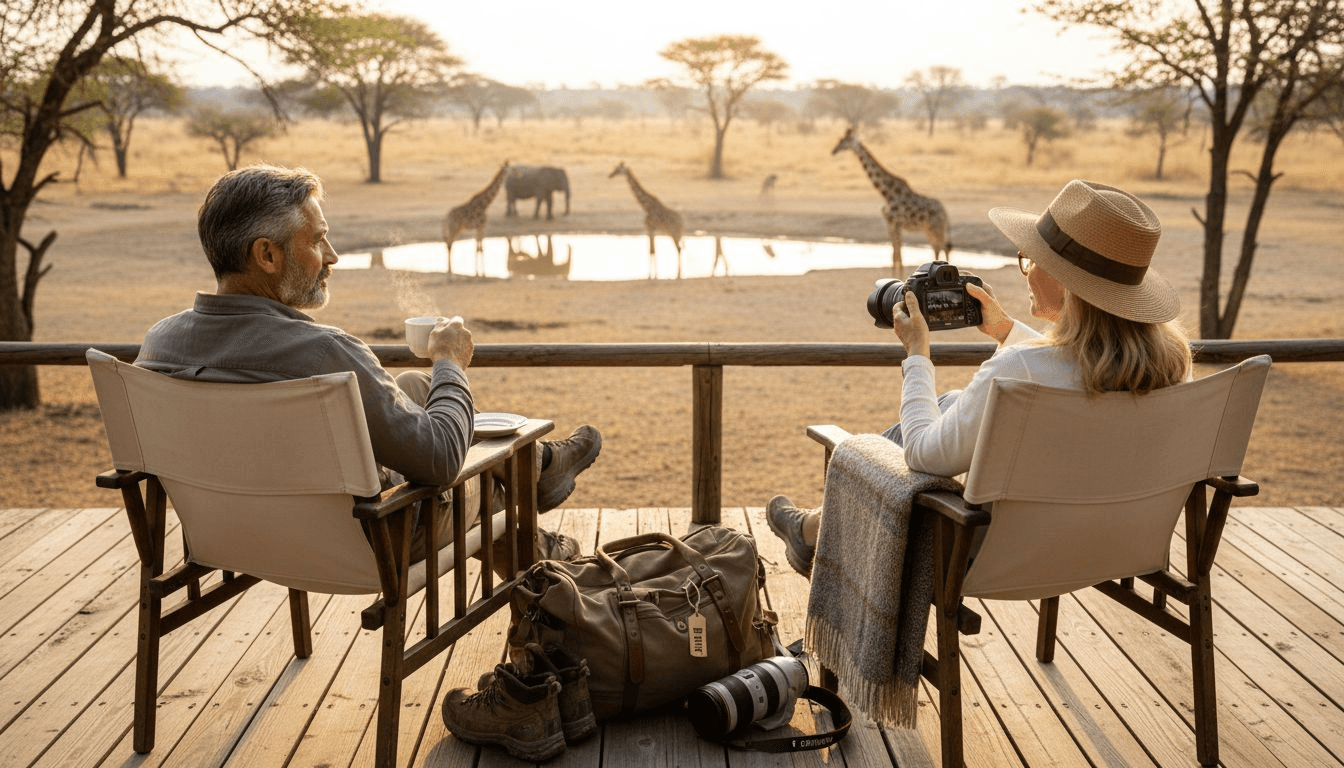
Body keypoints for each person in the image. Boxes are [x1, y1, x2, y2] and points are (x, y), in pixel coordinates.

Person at [135, 163, 602, 563]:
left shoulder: (158, 345)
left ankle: (542, 467)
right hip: (367, 538)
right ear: (267, 254)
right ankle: (542, 522)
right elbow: (439, 462)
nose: (332, 257)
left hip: (235, 536)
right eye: (318, 240)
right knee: (487, 474)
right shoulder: (324, 353)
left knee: (414, 386)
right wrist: (450, 362)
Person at [767, 179, 1192, 576]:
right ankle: (812, 526)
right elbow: (1067, 367)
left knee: (869, 452)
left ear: (1066, 284)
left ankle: (813, 532)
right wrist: (1008, 333)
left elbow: (924, 456)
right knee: (954, 404)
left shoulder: (1018, 373)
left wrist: (917, 354)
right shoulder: (1171, 367)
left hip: (998, 557)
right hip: (1112, 547)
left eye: (1030, 261)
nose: (1025, 271)